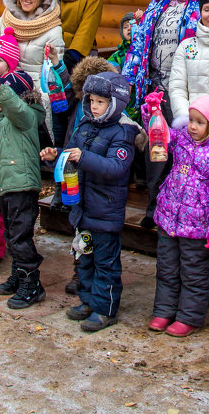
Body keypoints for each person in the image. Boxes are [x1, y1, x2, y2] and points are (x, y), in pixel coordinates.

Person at [42, 72, 135, 332]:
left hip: (105, 210)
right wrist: (55, 156)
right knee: (84, 256)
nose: (94, 106)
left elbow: (116, 166)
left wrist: (82, 159)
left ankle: (105, 309)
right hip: (81, 207)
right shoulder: (84, 125)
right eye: (91, 100)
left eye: (100, 102)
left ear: (115, 103)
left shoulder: (123, 132)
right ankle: (88, 301)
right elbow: (72, 152)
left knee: (105, 263)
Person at [122, 0, 206, 227]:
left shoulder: (206, 3)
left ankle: (179, 212)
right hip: (155, 87)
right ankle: (153, 211)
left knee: (183, 151)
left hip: (186, 90)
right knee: (156, 151)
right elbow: (141, 43)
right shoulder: (160, 2)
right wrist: (131, 79)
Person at [146, 91, 209, 337]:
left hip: (197, 226)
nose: (193, 126)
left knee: (193, 271)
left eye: (200, 122)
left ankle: (189, 316)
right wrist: (152, 112)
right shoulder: (181, 139)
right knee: (166, 267)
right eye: (191, 120)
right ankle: (164, 310)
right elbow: (159, 134)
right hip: (169, 218)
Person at [0, 32, 49, 310]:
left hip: (22, 185)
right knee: (11, 235)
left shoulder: (26, 115)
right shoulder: (2, 119)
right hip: (7, 185)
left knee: (20, 237)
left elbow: (15, 106)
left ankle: (33, 284)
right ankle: (19, 275)